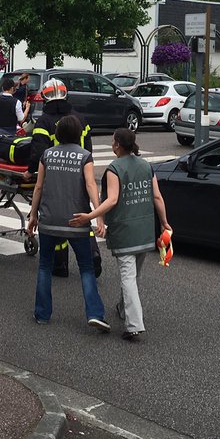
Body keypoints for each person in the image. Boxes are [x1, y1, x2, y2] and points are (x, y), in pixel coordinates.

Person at [71, 128, 170, 342]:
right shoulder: (146, 166)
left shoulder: (114, 169)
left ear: (117, 145)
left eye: (113, 141)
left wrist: (90, 216)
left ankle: (134, 325)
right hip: (144, 231)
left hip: (125, 231)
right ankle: (124, 310)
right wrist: (164, 223)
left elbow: (112, 200)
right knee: (134, 277)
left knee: (128, 277)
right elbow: (157, 197)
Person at [27, 115, 109, 331]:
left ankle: (42, 314)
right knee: (86, 268)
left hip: (49, 220)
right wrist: (98, 215)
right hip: (77, 220)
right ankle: (95, 313)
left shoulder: (47, 155)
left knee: (44, 266)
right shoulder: (85, 156)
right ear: (78, 134)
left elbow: (38, 187)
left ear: (58, 134)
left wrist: (33, 215)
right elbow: (91, 185)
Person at [25, 78, 93, 278]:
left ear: (45, 98)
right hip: (81, 172)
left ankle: (60, 265)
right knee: (82, 214)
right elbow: (88, 148)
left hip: (56, 177)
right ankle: (93, 253)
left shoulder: (44, 121)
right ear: (65, 95)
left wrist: (30, 171)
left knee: (59, 216)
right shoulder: (80, 118)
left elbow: (39, 151)